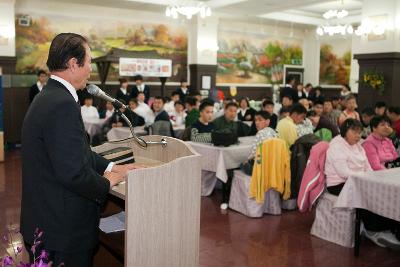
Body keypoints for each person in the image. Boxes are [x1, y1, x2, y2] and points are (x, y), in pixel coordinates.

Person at [21, 33, 141, 266]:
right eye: (88, 62)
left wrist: (114, 166)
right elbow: (74, 173)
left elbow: (78, 151)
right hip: (61, 231)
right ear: (73, 64)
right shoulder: (62, 104)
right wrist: (109, 180)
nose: (90, 70)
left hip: (45, 223)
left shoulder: (49, 96)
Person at [325, 118, 400, 249]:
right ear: (344, 131)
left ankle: (390, 227)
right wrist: (365, 180)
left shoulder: (358, 145)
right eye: (353, 131)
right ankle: (374, 230)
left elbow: (368, 167)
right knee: (368, 195)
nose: (357, 135)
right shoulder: (336, 146)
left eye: (359, 132)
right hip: (339, 183)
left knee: (380, 191)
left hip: (358, 180)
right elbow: (343, 172)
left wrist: (371, 179)